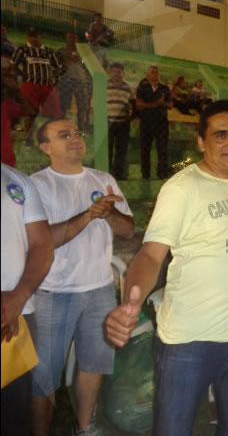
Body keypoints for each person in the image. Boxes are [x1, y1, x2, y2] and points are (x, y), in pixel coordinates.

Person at [105, 100, 228, 436]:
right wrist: (131, 301)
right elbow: (150, 254)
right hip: (189, 342)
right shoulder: (181, 189)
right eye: (220, 135)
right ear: (201, 142)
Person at [30, 118, 134, 436]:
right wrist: (90, 214)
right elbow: (43, 239)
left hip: (100, 289)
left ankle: (85, 426)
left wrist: (110, 213)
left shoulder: (103, 179)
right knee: (44, 375)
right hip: (53, 292)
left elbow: (128, 230)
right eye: (64, 136)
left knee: (94, 364)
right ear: (45, 147)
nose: (75, 139)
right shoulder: (37, 185)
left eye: (77, 133)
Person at [1, 163, 53, 436]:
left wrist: (18, 297)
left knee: (14, 415)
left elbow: (42, 244)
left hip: (16, 316)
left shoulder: (15, 180)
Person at [10, 28, 62, 123]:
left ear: (40, 37)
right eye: (31, 36)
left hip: (47, 86)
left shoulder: (49, 51)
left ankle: (48, 134)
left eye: (35, 36)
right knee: (30, 112)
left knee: (54, 113)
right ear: (28, 37)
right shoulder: (22, 49)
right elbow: (13, 65)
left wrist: (52, 76)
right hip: (30, 85)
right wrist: (22, 75)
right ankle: (29, 135)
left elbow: (59, 67)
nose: (33, 39)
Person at [136, 66, 171, 179]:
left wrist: (162, 104)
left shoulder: (165, 88)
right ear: (147, 75)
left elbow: (170, 105)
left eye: (156, 72)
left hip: (161, 123)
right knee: (145, 149)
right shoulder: (142, 88)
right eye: (152, 72)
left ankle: (162, 174)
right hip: (146, 123)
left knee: (162, 149)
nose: (154, 74)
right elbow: (139, 105)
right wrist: (157, 104)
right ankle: (145, 175)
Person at [56, 32, 92, 131]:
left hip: (80, 82)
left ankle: (81, 129)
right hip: (66, 81)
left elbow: (87, 67)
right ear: (66, 39)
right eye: (70, 38)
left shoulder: (83, 54)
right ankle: (61, 128)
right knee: (63, 107)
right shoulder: (60, 52)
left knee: (82, 107)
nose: (72, 40)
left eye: (74, 38)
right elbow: (56, 66)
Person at [107, 62, 135, 180]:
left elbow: (134, 104)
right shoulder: (103, 85)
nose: (117, 74)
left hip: (123, 123)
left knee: (121, 150)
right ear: (110, 72)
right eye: (114, 71)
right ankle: (107, 174)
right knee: (107, 149)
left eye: (119, 72)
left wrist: (130, 116)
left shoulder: (127, 87)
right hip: (107, 122)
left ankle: (118, 175)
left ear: (122, 73)